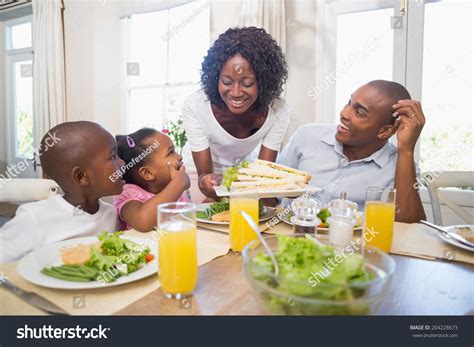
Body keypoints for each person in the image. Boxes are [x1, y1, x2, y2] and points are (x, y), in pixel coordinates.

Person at [278, 80, 426, 223]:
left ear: (384, 131)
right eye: (349, 102)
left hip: (351, 246)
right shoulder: (307, 136)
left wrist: (406, 150)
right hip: (290, 238)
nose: (344, 113)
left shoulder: (401, 167)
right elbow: (269, 191)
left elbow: (408, 224)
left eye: (359, 112)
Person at [182, 26, 290, 202]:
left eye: (247, 83)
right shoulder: (196, 106)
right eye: (226, 82)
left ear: (264, 81)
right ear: (215, 77)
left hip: (242, 173)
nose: (236, 92)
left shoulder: (278, 111)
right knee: (207, 212)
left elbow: (262, 173)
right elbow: (204, 175)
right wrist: (207, 183)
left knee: (260, 212)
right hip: (198, 172)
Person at [0, 121, 124, 264]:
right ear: (81, 176)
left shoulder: (110, 213)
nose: (122, 163)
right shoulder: (34, 218)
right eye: (113, 156)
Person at [113, 128, 190, 232]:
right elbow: (142, 221)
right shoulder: (128, 194)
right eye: (171, 152)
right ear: (147, 173)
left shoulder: (174, 189)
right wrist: (179, 183)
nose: (179, 157)